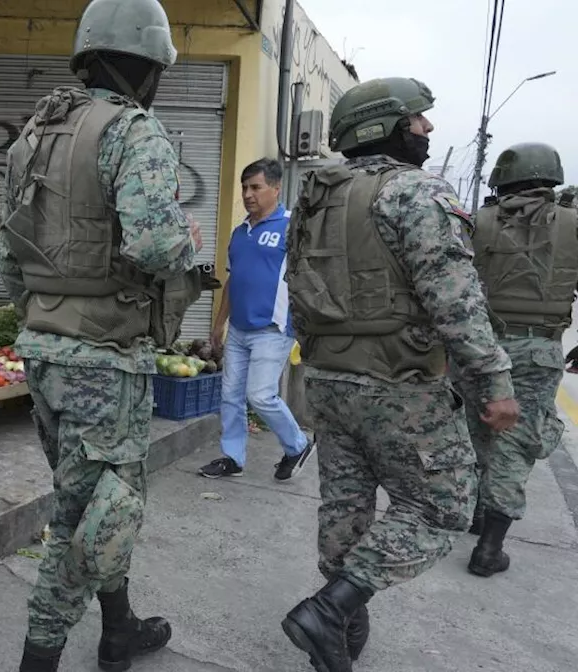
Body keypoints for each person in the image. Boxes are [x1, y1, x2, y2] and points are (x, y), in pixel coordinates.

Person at [281, 77, 520, 672]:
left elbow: (298, 289)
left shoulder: (313, 200)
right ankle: (332, 611)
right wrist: (493, 379)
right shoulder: (413, 193)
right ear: (383, 126)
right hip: (399, 384)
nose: (428, 129)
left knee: (345, 507)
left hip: (329, 380)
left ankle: (335, 643)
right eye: (418, 120)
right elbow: (456, 301)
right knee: (442, 507)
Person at [0, 1, 203, 670]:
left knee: (92, 503)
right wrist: (185, 244)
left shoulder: (36, 133)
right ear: (142, 67)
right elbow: (152, 243)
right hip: (105, 360)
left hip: (44, 349)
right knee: (89, 522)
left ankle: (119, 627)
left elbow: (10, 260)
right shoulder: (132, 130)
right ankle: (41, 657)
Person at [460, 143, 574, 578]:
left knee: (474, 432)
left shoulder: (479, 223)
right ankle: (490, 548)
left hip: (479, 346)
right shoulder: (573, 224)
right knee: (517, 442)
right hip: (540, 351)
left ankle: (471, 514)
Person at [199, 158, 316, 481]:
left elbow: (311, 275)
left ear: (276, 189)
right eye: (244, 187)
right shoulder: (240, 232)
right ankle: (232, 457)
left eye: (256, 187)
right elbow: (232, 281)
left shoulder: (293, 227)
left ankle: (297, 444)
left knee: (261, 395)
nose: (248, 194)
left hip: (274, 328)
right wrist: (219, 323)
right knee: (230, 396)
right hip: (239, 328)